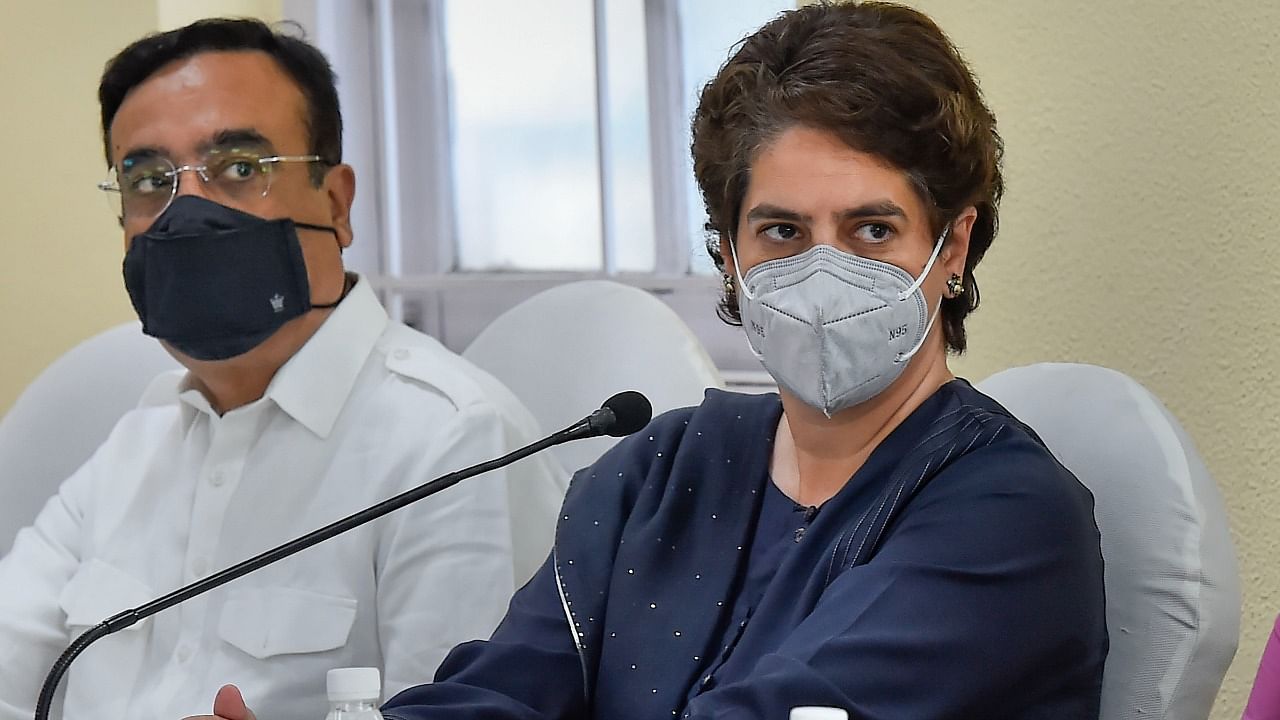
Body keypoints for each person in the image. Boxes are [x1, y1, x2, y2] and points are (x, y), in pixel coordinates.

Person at [197, 3, 1107, 719]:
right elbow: (506, 693)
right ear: (729, 259)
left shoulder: (1010, 516)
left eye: (872, 229)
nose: (823, 269)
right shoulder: (661, 470)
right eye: (782, 231)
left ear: (952, 248)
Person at [0, 18, 567, 720]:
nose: (186, 214)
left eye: (240, 167)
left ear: (335, 202)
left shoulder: (451, 445)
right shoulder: (135, 444)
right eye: (148, 179)